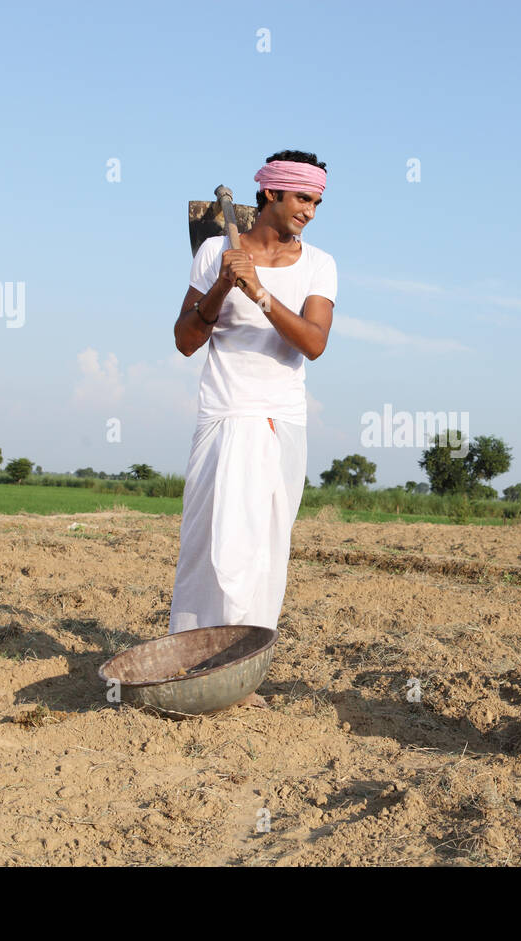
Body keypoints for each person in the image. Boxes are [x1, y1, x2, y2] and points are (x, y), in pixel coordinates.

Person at [170, 149, 337, 705]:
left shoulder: (319, 265)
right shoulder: (218, 251)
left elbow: (313, 343)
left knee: (262, 548)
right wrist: (222, 284)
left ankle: (241, 671)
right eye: (301, 198)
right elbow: (186, 340)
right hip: (223, 413)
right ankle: (194, 660)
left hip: (279, 421)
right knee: (209, 546)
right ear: (269, 194)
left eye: (316, 201)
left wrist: (260, 293)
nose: (309, 211)